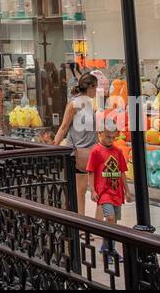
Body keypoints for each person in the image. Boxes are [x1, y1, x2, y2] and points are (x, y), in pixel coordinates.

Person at [52, 73, 99, 216]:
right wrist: (54, 146)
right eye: (95, 87)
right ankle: (81, 224)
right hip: (79, 152)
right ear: (90, 87)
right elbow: (64, 126)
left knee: (85, 189)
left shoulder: (89, 103)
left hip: (89, 151)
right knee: (81, 190)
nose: (96, 90)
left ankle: (85, 225)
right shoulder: (74, 104)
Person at [87, 118, 132, 258]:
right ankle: (109, 251)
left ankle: (107, 247)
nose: (110, 140)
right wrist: (93, 190)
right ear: (99, 134)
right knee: (110, 218)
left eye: (113, 137)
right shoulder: (96, 151)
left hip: (116, 192)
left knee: (114, 223)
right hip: (104, 193)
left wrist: (127, 191)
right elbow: (91, 171)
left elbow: (122, 172)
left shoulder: (118, 151)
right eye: (107, 136)